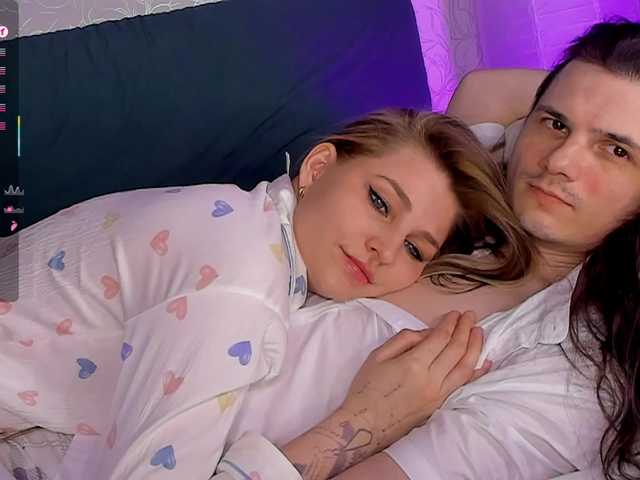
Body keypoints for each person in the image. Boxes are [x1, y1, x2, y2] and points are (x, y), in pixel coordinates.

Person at [208, 19, 640, 480]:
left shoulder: (571, 372)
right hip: (185, 308)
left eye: (616, 151)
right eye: (555, 123)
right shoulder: (466, 187)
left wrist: (366, 422)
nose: (559, 161)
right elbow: (485, 90)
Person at [0, 110, 530, 479]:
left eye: (415, 249)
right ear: (318, 168)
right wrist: (361, 424)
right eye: (380, 202)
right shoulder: (239, 276)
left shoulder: (246, 224)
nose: (384, 249)